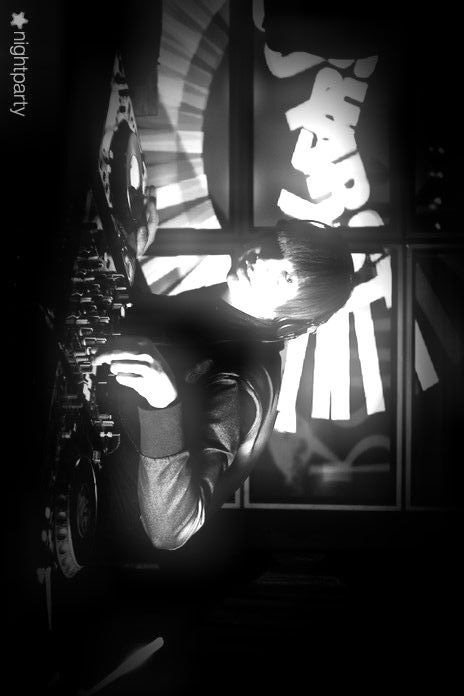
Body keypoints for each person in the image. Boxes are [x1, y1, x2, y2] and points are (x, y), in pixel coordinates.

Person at [93, 221, 354, 553]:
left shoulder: (240, 381)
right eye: (277, 244)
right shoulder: (231, 304)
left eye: (288, 277)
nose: (264, 260)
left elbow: (170, 529)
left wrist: (163, 405)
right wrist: (128, 254)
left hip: (88, 498)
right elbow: (157, 328)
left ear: (295, 315)